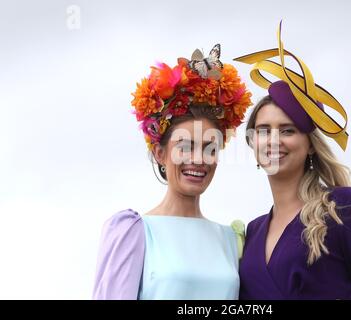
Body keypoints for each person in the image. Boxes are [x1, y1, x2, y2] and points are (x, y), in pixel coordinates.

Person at [234, 22, 351, 300]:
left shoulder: (343, 206)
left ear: (310, 144)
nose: (274, 140)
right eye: (264, 131)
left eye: (287, 130)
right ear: (253, 143)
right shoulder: (252, 232)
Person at [92, 44, 251, 299]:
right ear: (159, 153)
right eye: (185, 147)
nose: (198, 159)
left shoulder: (232, 240)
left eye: (210, 148)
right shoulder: (135, 231)